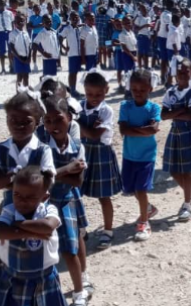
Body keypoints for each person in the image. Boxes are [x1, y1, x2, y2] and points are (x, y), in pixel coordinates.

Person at [0, 91, 56, 282]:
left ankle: (38, 277)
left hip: (36, 205)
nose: (18, 125)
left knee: (39, 246)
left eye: (26, 121)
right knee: (5, 243)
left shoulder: (43, 149)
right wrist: (16, 176)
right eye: (13, 119)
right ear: (6, 119)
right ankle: (7, 279)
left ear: (38, 122)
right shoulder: (1, 149)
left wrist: (9, 180)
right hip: (10, 203)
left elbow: (48, 180)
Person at [35, 96, 93, 306]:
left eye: (58, 119)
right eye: (47, 121)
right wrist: (67, 169)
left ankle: (79, 292)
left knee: (70, 249)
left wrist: (52, 174)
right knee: (43, 251)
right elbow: (39, 177)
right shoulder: (40, 144)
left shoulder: (77, 145)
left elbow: (77, 181)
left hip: (66, 201)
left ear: (69, 118)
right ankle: (45, 293)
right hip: (44, 205)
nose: (52, 126)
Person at [0, 166, 68, 306]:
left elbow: (48, 227)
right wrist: (29, 232)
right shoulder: (9, 211)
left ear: (44, 197)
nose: (22, 201)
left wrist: (17, 224)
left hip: (44, 277)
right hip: (15, 278)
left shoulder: (49, 210)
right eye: (17, 195)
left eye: (31, 197)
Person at [78, 71, 121, 249]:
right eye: (89, 94)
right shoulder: (79, 107)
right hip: (82, 153)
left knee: (104, 196)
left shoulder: (106, 110)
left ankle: (108, 230)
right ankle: (80, 230)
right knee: (76, 194)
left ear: (106, 90)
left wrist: (78, 125)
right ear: (84, 91)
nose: (94, 98)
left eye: (99, 94)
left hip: (101, 154)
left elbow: (95, 135)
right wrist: (85, 128)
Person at [118, 69, 162, 241]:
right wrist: (144, 130)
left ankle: (144, 222)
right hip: (129, 156)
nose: (138, 93)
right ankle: (148, 208)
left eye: (142, 90)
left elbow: (153, 129)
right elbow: (123, 130)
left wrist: (132, 130)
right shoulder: (125, 106)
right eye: (134, 89)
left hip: (146, 157)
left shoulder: (154, 108)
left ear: (150, 89)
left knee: (141, 189)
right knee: (131, 188)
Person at [161, 58, 191, 222]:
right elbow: (162, 115)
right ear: (175, 74)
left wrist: (174, 113)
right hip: (176, 130)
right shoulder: (170, 92)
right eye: (180, 73)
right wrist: (181, 110)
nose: (183, 75)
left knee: (186, 171)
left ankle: (187, 205)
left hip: (188, 131)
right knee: (173, 169)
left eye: (186, 72)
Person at [118, 15, 139, 89]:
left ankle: (132, 88)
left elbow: (135, 45)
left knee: (134, 73)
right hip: (127, 55)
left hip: (134, 53)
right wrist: (132, 56)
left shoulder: (132, 33)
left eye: (129, 22)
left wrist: (136, 55)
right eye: (126, 23)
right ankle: (128, 90)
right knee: (128, 73)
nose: (129, 24)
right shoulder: (122, 34)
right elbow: (124, 47)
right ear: (123, 24)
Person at [166, 13, 184, 87]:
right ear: (177, 22)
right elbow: (173, 43)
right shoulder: (174, 31)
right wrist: (177, 54)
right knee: (174, 67)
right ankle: (171, 82)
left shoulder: (172, 28)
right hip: (173, 51)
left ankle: (171, 82)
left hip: (172, 50)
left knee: (173, 67)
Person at [134, 4, 152, 69]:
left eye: (144, 8)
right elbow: (135, 29)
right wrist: (144, 26)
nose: (144, 10)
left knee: (146, 54)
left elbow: (149, 28)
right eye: (142, 9)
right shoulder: (139, 18)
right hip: (141, 36)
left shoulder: (149, 17)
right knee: (140, 53)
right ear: (140, 10)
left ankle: (146, 67)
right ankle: (139, 67)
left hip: (147, 37)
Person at [29, 4, 45, 73]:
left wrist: (35, 26)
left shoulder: (42, 17)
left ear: (40, 10)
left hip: (42, 34)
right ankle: (35, 65)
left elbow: (43, 24)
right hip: (35, 35)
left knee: (43, 50)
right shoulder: (32, 17)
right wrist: (38, 25)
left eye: (38, 9)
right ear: (33, 10)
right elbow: (30, 26)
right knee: (34, 50)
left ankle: (44, 64)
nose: (37, 10)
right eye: (35, 9)